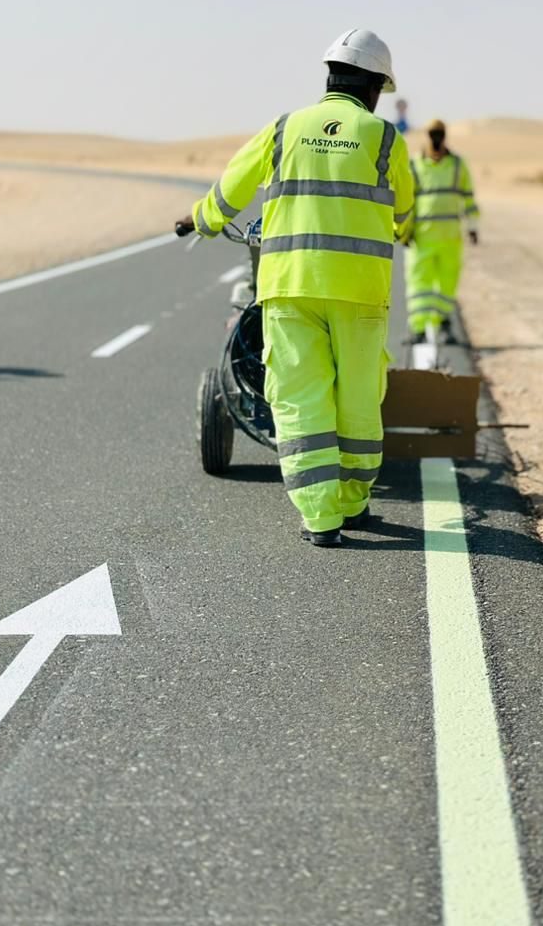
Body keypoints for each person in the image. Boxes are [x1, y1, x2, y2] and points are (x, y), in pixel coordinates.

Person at [177, 29, 414, 546]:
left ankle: (320, 519)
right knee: (357, 398)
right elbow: (405, 209)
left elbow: (231, 189)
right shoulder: (385, 138)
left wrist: (200, 219)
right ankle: (353, 504)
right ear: (375, 87)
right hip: (360, 293)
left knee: (300, 398)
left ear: (330, 77)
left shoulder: (285, 128)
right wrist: (400, 225)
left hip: (288, 288)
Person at [405, 119, 479, 343]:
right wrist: (404, 231)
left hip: (450, 238)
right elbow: (406, 202)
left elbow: (468, 198)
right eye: (432, 133)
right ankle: (418, 329)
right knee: (419, 283)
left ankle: (444, 325)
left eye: (439, 133)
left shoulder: (458, 165)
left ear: (445, 135)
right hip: (422, 238)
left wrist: (473, 228)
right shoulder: (414, 165)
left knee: (447, 283)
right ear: (426, 135)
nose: (436, 138)